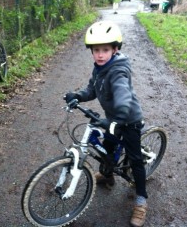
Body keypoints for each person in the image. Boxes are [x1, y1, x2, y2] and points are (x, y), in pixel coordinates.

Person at [64, 20, 147, 227]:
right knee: (107, 149)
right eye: (96, 50)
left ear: (115, 49)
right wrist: (77, 96)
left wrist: (118, 118)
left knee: (136, 161)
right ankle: (108, 175)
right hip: (113, 119)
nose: (100, 54)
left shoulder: (118, 71)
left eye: (105, 50)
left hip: (128, 120)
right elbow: (92, 90)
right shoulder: (99, 68)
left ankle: (141, 201)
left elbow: (123, 95)